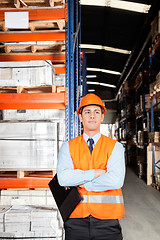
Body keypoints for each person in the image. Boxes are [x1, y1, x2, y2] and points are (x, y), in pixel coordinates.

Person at [57, 93, 125, 240]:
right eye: (87, 112)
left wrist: (82, 183)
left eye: (96, 112)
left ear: (102, 117)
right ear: (80, 117)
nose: (92, 116)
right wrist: (95, 173)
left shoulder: (115, 147)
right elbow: (63, 179)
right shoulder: (67, 147)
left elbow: (116, 180)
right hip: (75, 219)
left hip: (108, 221)